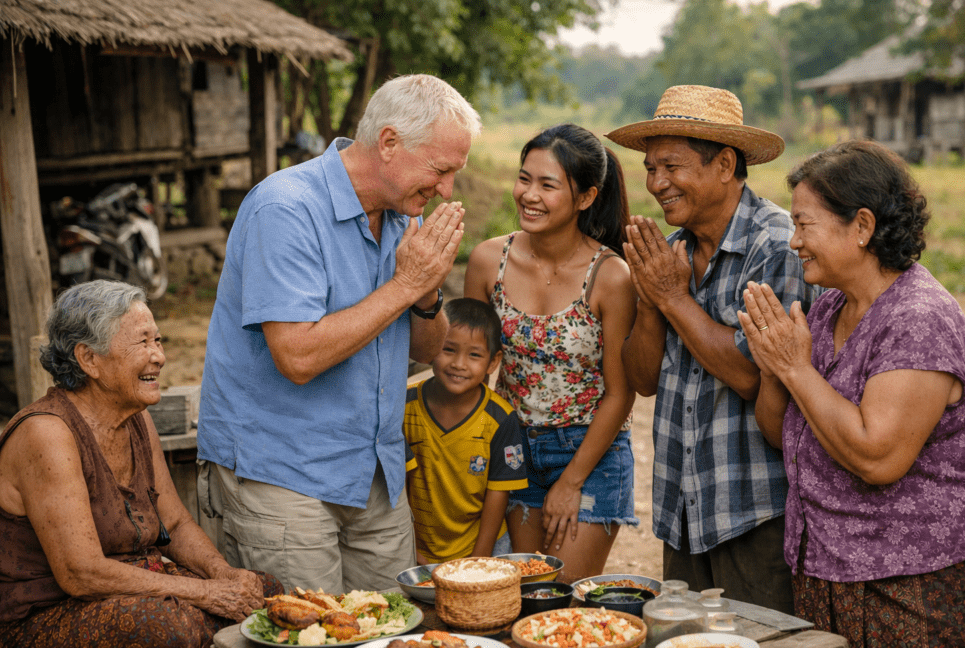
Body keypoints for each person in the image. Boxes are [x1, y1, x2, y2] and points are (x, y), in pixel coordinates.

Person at [738, 139, 965, 648]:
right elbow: (778, 431)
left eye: (805, 225)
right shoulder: (831, 308)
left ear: (861, 225)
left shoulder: (919, 317)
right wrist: (775, 366)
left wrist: (797, 371)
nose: (794, 241)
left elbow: (877, 457)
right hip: (832, 574)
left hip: (920, 587)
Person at [197, 74, 482, 593]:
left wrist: (426, 295)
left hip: (375, 471)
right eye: (441, 171)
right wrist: (405, 285)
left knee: (393, 642)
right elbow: (298, 356)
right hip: (282, 477)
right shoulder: (286, 207)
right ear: (390, 143)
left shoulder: (401, 216)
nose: (446, 190)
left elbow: (427, 348)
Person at [0, 281, 281, 648]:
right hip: (44, 614)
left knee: (266, 591)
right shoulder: (47, 433)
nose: (159, 356)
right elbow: (81, 572)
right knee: (172, 629)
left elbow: (178, 523)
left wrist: (223, 575)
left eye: (159, 340)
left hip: (135, 587)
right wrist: (205, 592)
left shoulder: (136, 420)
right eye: (142, 343)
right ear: (89, 359)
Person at [608, 85, 819, 613]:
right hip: (682, 506)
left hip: (752, 511)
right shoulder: (672, 251)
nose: (656, 184)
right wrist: (654, 304)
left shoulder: (776, 246)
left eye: (671, 167)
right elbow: (643, 380)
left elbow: (754, 375)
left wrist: (673, 298)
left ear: (725, 164)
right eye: (651, 168)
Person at [464, 123, 637, 583]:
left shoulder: (611, 276)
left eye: (548, 185)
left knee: (561, 597)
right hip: (515, 450)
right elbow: (470, 368)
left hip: (589, 453)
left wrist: (572, 480)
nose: (529, 195)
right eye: (525, 179)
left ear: (585, 197)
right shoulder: (487, 261)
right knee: (523, 597)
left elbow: (620, 394)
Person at [403, 298, 527, 564]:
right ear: (431, 346)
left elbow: (498, 496)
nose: (459, 363)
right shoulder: (404, 406)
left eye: (474, 355)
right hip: (416, 545)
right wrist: (412, 551)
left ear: (493, 362)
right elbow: (399, 487)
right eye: (448, 349)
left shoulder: (500, 418)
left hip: (484, 545)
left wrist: (476, 563)